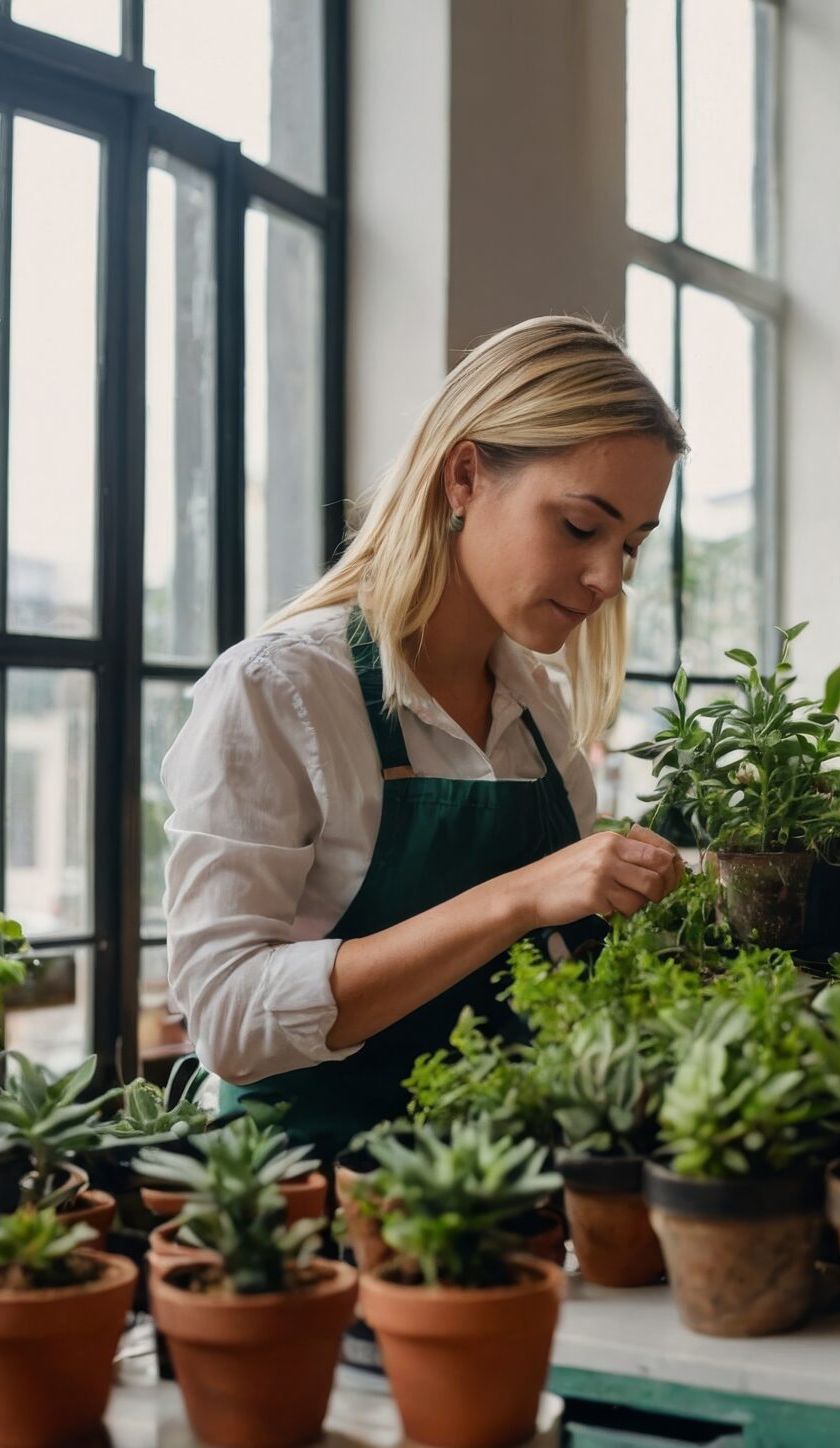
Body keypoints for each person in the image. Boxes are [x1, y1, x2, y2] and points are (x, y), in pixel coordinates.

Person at [160, 317, 688, 1148]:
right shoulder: (283, 690)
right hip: (316, 1210)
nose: (607, 579)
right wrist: (517, 897)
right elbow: (226, 1017)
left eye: (631, 545)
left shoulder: (539, 714)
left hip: (508, 1189)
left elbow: (553, 974)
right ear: (466, 475)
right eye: (582, 528)